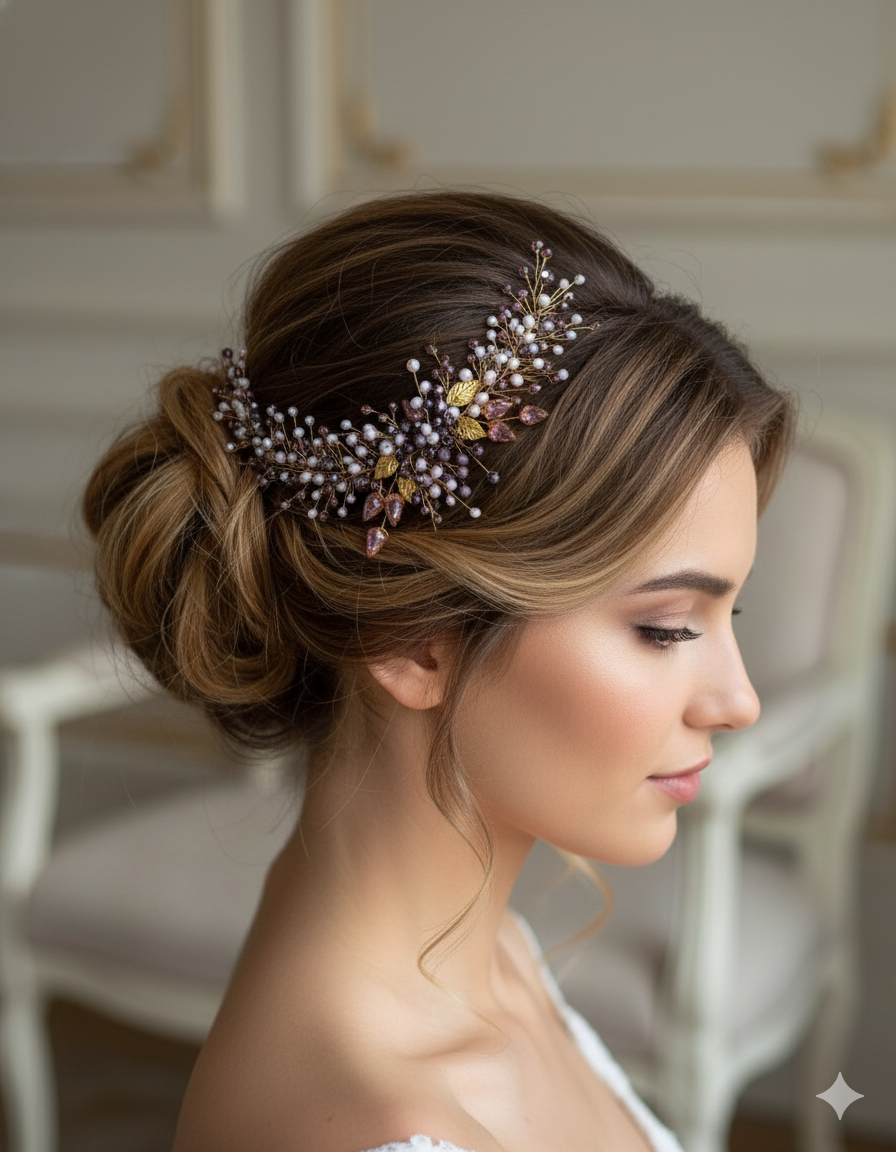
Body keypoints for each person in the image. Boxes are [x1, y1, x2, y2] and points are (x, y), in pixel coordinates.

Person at [83, 190, 795, 1152]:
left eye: (729, 613)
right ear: (411, 638)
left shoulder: (484, 951)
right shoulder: (368, 1121)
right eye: (668, 627)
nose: (739, 701)